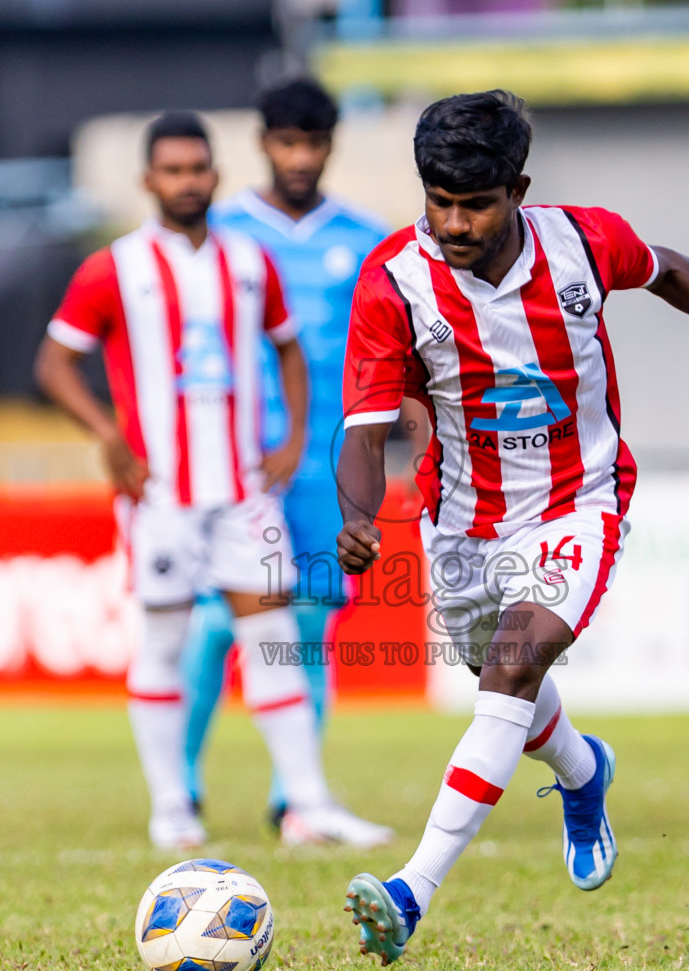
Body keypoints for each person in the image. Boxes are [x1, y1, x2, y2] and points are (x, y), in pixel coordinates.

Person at [333, 90, 689, 963]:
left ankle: (411, 891)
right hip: (462, 517)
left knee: (512, 662)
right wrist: (359, 515)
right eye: (440, 203)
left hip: (579, 497)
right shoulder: (393, 281)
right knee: (501, 678)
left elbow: (668, 271)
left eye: (475, 204)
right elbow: (362, 427)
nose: (456, 224)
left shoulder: (584, 241)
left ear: (520, 189)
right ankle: (585, 775)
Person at [33, 110, 392, 851]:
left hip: (241, 491)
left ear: (216, 175)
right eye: (172, 171)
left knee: (273, 640)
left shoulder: (248, 262)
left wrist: (293, 437)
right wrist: (109, 436)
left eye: (198, 169)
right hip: (160, 493)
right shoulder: (116, 267)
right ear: (147, 181)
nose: (187, 182)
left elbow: (289, 349)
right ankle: (172, 808)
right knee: (166, 640)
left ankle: (308, 803)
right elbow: (53, 363)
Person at [183, 79, 389, 832]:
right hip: (233, 464)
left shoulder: (366, 241)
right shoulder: (226, 234)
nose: (300, 157)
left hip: (324, 467)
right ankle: (181, 787)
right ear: (263, 144)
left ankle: (294, 800)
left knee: (308, 626)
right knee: (213, 624)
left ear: (331, 146)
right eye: (286, 143)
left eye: (313, 143)